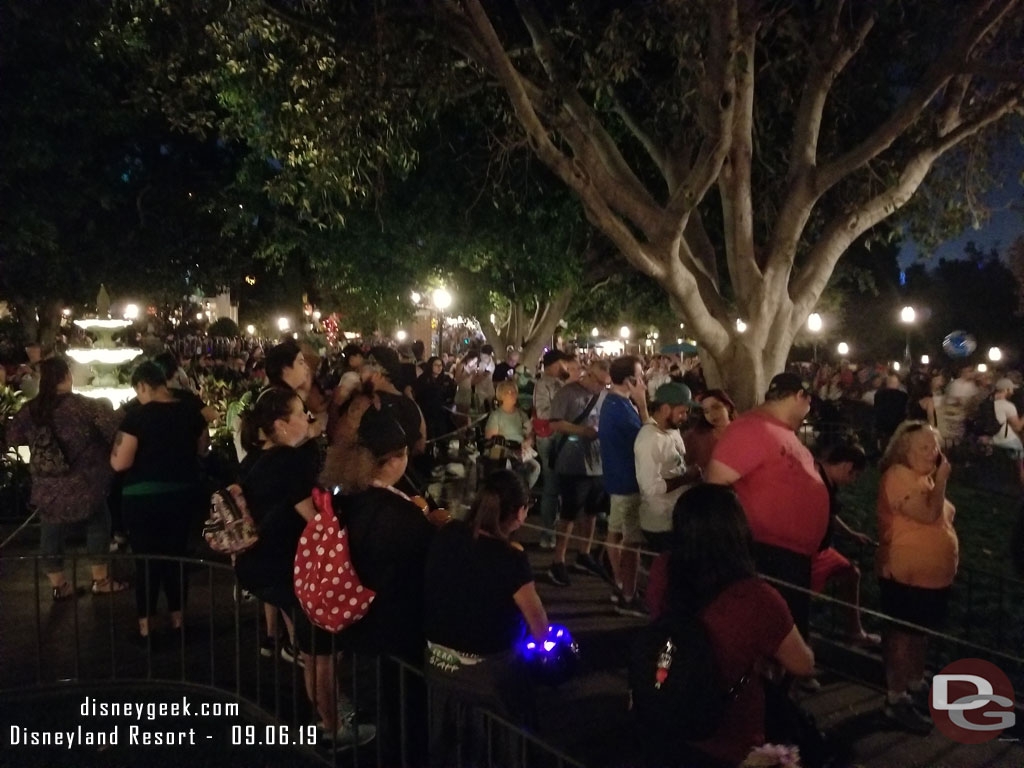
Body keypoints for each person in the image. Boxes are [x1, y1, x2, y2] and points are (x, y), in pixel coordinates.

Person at [233, 386, 374, 746]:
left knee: (310, 651)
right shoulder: (288, 461)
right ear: (281, 425)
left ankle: (328, 713)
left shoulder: (253, 459)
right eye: (300, 414)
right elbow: (315, 520)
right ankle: (332, 727)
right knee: (321, 654)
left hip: (260, 568)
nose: (308, 420)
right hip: (293, 572)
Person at [644, 485, 815, 767]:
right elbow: (802, 664)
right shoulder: (757, 597)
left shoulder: (663, 568)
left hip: (667, 711)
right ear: (738, 531)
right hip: (730, 736)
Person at [321, 406, 436, 756]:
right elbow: (425, 566)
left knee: (380, 698)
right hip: (398, 625)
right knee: (405, 711)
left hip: (360, 621)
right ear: (396, 459)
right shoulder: (402, 515)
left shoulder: (346, 498)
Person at [424, 470, 549, 768]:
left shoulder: (449, 533)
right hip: (486, 674)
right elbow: (540, 627)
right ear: (520, 512)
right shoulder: (511, 559)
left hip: (435, 661)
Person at [705, 373, 829, 639]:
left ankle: (789, 674)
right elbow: (714, 487)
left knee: (788, 627)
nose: (808, 412)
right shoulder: (752, 428)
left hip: (790, 556)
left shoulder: (780, 431)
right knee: (774, 629)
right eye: (808, 404)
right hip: (768, 553)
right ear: (800, 396)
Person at [5, 357, 126, 599]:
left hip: (47, 485)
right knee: (98, 524)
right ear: (66, 376)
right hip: (85, 483)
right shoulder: (84, 406)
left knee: (51, 531)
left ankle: (60, 586)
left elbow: (13, 438)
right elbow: (113, 429)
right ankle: (100, 580)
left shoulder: (31, 410)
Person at [110, 361, 207, 640]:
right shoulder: (190, 411)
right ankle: (179, 621)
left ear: (142, 386)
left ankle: (146, 626)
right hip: (182, 494)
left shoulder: (136, 418)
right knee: (176, 558)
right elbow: (202, 448)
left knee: (147, 563)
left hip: (142, 499)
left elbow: (120, 462)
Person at [876, 421, 958, 734]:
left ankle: (915, 683)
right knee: (902, 635)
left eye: (934, 446)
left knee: (918, 634)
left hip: (929, 580)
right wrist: (941, 482)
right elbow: (927, 515)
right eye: (923, 446)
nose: (932, 451)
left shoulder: (923, 479)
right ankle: (896, 699)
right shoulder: (898, 476)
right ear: (904, 451)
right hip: (903, 575)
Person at [546, 359, 611, 588]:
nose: (602, 387)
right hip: (573, 460)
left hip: (598, 461)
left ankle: (584, 553)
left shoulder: (604, 396)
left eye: (606, 384)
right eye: (600, 382)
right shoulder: (568, 393)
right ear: (589, 375)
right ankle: (558, 560)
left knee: (592, 510)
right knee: (569, 512)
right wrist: (582, 431)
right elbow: (554, 424)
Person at [812, 443, 879, 646]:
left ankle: (854, 631)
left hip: (820, 549)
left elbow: (829, 514)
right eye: (855, 476)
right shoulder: (816, 480)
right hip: (808, 551)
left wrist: (851, 534)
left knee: (851, 574)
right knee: (797, 598)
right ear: (847, 466)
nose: (853, 481)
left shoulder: (825, 478)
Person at [598, 356, 649, 616]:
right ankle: (628, 593)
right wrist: (642, 403)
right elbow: (648, 438)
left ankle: (620, 583)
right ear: (630, 380)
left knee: (615, 534)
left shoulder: (613, 403)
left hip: (617, 478)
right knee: (632, 542)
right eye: (639, 376)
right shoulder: (620, 408)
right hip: (627, 481)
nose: (643, 381)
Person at [634, 382, 701, 553]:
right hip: (660, 523)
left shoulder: (671, 430)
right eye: (681, 412)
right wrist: (687, 478)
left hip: (675, 517)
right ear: (665, 409)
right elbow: (650, 487)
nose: (685, 417)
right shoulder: (649, 440)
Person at [532, 350, 571, 549]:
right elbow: (542, 411)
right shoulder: (543, 384)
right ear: (553, 365)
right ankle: (548, 532)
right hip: (549, 438)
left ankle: (555, 531)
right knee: (551, 486)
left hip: (562, 437)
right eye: (561, 363)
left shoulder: (562, 383)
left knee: (559, 485)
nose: (564, 367)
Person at [484, 380, 540, 489]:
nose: (514, 394)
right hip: (504, 450)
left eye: (515, 391)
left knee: (534, 467)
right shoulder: (496, 416)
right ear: (502, 395)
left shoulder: (521, 414)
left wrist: (528, 441)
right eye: (510, 392)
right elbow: (490, 438)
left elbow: (530, 433)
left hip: (521, 450)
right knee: (507, 466)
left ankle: (523, 492)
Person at [682, 389, 736, 473]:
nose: (712, 414)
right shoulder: (697, 437)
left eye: (716, 407)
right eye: (706, 411)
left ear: (728, 407)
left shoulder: (742, 431)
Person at [414, 356, 455, 444]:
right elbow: (419, 395)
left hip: (442, 412)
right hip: (428, 412)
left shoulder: (446, 379)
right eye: (436, 365)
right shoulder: (423, 379)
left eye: (440, 365)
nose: (439, 367)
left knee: (442, 434)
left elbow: (451, 392)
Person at [992, 378, 1024, 463]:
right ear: (1007, 389)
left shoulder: (988, 403)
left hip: (991, 439)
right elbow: (1017, 427)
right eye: (1011, 389)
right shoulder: (1007, 405)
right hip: (1007, 441)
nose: (1013, 392)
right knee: (1021, 461)